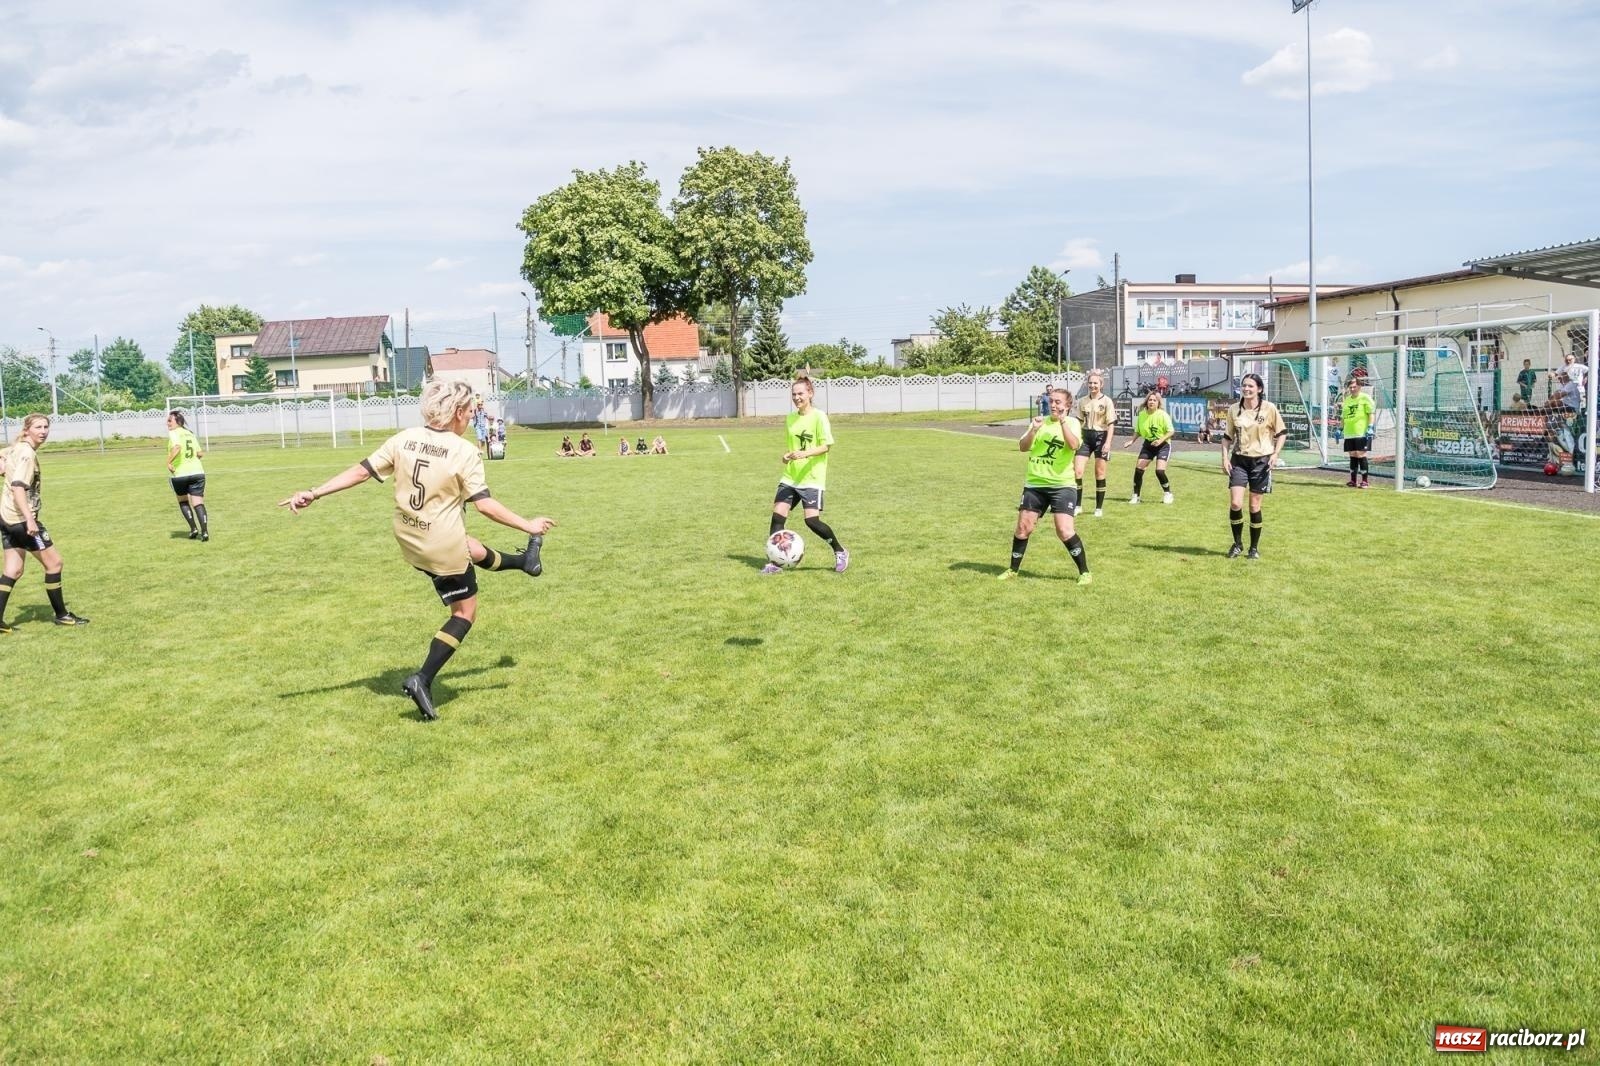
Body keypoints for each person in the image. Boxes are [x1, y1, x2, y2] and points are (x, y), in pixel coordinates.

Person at [277, 379, 553, 721]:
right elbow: (485, 506)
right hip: (440, 545)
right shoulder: (464, 451)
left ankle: (524, 562)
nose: (471, 417)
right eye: (469, 412)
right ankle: (422, 678)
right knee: (464, 613)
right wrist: (528, 525)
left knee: (468, 545)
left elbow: (361, 472)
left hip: (409, 538)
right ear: (457, 412)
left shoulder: (404, 439)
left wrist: (314, 492)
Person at [0, 414, 90, 632]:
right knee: (54, 564)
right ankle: (62, 615)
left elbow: (2, 454)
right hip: (22, 520)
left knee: (13, 570)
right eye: (38, 427)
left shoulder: (15, 448)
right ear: (27, 430)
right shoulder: (27, 454)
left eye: (46, 427)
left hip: (6, 518)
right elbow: (18, 487)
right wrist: (30, 520)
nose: (43, 431)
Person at [999, 387, 1090, 584]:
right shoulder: (1040, 422)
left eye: (1058, 402)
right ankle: (1013, 570)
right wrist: (1033, 429)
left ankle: (1085, 572)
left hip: (1062, 485)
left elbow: (1074, 445)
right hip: (1035, 484)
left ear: (1068, 405)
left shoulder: (1072, 423)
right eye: (1051, 401)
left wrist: (1063, 421)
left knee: (1064, 530)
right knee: (1023, 528)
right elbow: (1023, 447)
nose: (1053, 405)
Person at [762, 374, 849, 574]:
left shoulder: (819, 416)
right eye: (794, 394)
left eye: (800, 393)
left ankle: (840, 551)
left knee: (811, 521)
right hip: (790, 477)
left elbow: (826, 446)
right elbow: (794, 447)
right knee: (777, 516)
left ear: (810, 393)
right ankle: (775, 563)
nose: (797, 398)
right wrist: (787, 456)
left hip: (812, 478)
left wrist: (804, 454)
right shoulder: (790, 419)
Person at [1221, 373, 1287, 559]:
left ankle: (1254, 548)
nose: (1246, 389)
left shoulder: (1269, 408)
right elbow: (1227, 437)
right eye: (1244, 385)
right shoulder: (1234, 409)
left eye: (1250, 386)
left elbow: (1282, 433)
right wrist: (1225, 458)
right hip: (1239, 460)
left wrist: (1275, 454)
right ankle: (1237, 544)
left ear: (1259, 389)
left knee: (1254, 506)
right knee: (1235, 503)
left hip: (1261, 462)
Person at [1073, 371, 1116, 517]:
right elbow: (1078, 421)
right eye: (1090, 383)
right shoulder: (1082, 401)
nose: (1092, 385)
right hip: (1085, 437)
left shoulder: (1107, 401)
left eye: (1095, 383)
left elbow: (1111, 424)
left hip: (1101, 437)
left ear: (1101, 384)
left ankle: (1098, 508)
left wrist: (1108, 443)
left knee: (1099, 473)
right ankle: (1078, 505)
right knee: (1077, 471)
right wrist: (1074, 437)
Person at [1123, 391, 1174, 504]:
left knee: (1159, 471)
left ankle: (1168, 493)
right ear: (1146, 402)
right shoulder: (1142, 415)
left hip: (1163, 445)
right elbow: (1138, 431)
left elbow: (1171, 431)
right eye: (1150, 400)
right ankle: (1136, 496)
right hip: (1148, 445)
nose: (1152, 402)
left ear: (1158, 403)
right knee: (1139, 469)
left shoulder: (1163, 415)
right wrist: (1131, 441)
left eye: (1154, 400)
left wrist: (1160, 440)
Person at [166, 410, 210, 540]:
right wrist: (192, 461)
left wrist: (168, 462)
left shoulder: (174, 433)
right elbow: (200, 453)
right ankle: (205, 532)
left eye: (170, 420)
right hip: (197, 472)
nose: (167, 423)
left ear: (178, 422)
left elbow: (177, 447)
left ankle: (193, 529)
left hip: (180, 474)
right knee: (198, 502)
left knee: (183, 500)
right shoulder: (190, 434)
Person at [1340, 376, 1377, 488]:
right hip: (1349, 432)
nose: (1352, 389)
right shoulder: (1347, 400)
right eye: (1350, 387)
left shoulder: (1365, 398)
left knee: (1360, 454)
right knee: (1352, 454)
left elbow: (1371, 413)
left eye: (1354, 387)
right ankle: (1353, 480)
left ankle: (1365, 481)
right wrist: (1339, 429)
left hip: (1361, 432)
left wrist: (1370, 427)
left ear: (1360, 387)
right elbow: (1343, 417)